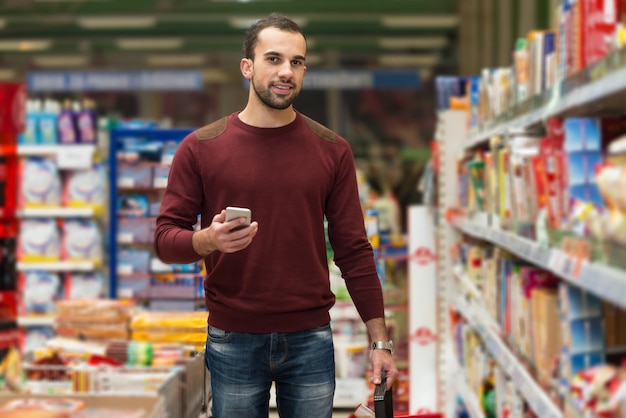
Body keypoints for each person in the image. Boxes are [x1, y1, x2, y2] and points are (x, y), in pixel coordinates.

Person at [154, 12, 398, 418]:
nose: (287, 71)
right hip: (232, 339)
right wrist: (207, 240)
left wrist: (379, 342)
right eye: (274, 59)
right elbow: (165, 240)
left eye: (297, 62)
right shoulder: (200, 148)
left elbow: (353, 251)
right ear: (247, 67)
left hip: (310, 340)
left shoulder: (331, 150)